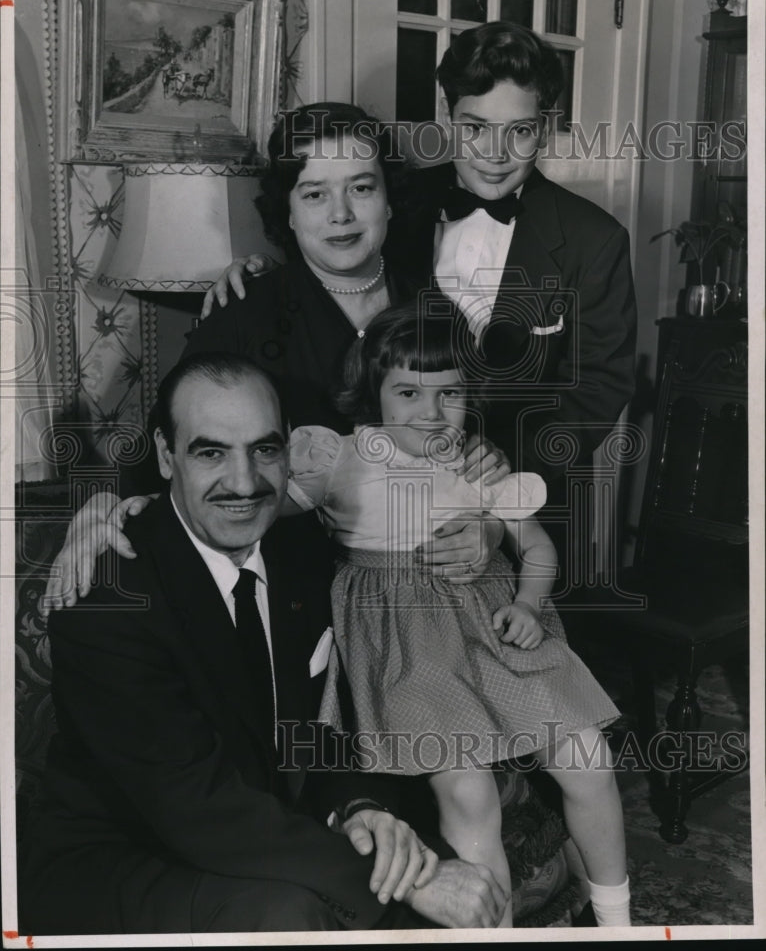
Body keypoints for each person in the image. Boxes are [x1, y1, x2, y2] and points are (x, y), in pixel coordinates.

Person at [19, 352, 508, 934]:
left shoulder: (303, 555)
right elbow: (191, 807)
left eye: (264, 449)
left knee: (459, 882)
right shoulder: (106, 595)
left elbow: (338, 723)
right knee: (304, 913)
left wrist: (360, 808)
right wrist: (416, 882)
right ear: (166, 456)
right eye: (210, 452)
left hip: (270, 826)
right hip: (130, 856)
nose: (245, 483)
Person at [205, 22, 637, 580]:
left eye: (521, 131)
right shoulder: (392, 202)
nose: (496, 155)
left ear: (547, 125)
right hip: (373, 526)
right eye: (475, 128)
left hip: (523, 514)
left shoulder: (594, 239)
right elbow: (332, 263)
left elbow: (602, 385)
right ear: (445, 111)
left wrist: (501, 481)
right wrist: (255, 270)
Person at [43, 102, 509, 612]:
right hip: (290, 592)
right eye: (315, 194)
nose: (341, 214)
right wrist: (101, 503)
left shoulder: (439, 316)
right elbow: (166, 443)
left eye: (361, 187)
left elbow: (482, 452)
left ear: (389, 200)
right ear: (287, 210)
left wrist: (489, 524)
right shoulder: (242, 316)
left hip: (434, 592)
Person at [279, 303, 631, 928]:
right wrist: (142, 502)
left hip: (495, 633)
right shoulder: (335, 457)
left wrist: (527, 602)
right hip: (408, 650)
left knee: (588, 761)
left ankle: (618, 920)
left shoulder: (479, 462)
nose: (431, 412)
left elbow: (541, 547)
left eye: (451, 394)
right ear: (373, 391)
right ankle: (494, 931)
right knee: (468, 794)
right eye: (409, 392)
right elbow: (248, 503)